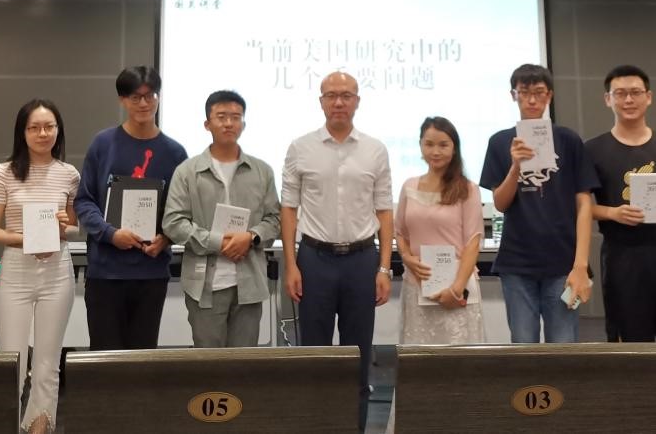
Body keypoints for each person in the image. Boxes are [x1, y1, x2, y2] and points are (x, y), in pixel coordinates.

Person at [584, 66, 656, 434]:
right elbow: (580, 208)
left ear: (649, 97)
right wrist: (611, 212)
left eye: (635, 92)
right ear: (608, 99)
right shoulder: (593, 150)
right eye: (620, 93)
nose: (629, 99)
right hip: (623, 258)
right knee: (631, 352)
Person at [281, 71, 393, 433]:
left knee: (359, 356)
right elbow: (289, 209)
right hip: (314, 260)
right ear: (321, 102)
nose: (339, 102)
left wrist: (384, 269)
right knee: (315, 355)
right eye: (331, 95)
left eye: (346, 95)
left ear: (357, 101)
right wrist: (291, 265)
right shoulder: (300, 148)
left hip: (362, 261)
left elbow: (384, 211)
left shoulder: (375, 149)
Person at [479, 63, 597, 343]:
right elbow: (500, 204)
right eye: (524, 92)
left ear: (549, 96)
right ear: (513, 95)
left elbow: (584, 205)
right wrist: (515, 166)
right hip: (517, 262)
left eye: (539, 92)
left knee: (564, 343)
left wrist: (580, 264)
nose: (532, 100)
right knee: (523, 343)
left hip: (563, 261)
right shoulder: (500, 142)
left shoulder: (568, 140)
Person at [74, 66, 189, 349]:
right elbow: (84, 201)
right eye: (135, 97)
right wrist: (110, 234)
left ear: (158, 97)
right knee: (104, 357)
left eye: (150, 96)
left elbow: (183, 210)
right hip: (106, 272)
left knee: (142, 359)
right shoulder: (103, 144)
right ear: (122, 100)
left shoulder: (175, 153)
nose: (143, 103)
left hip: (151, 273)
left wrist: (167, 238)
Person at [0, 99, 80, 434]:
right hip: (16, 271)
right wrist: (28, 241)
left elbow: (74, 227)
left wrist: (63, 228)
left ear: (58, 130)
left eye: (49, 127)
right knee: (11, 360)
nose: (43, 133)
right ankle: (8, 425)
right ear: (22, 132)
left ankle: (41, 427)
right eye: (34, 127)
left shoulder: (69, 174)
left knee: (47, 362)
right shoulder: (4, 172)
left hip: (57, 270)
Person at [162, 90, 281, 347]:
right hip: (204, 286)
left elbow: (274, 219)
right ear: (207, 124)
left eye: (236, 117)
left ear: (244, 124)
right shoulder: (187, 171)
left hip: (249, 283)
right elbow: (173, 222)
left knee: (244, 363)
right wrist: (218, 242)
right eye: (221, 116)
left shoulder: (262, 171)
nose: (229, 123)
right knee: (209, 362)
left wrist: (251, 237)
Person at [395, 116, 485, 343]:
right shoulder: (409, 186)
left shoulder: (468, 189)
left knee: (458, 356)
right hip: (418, 285)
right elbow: (400, 233)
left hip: (457, 287)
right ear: (420, 146)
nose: (435, 151)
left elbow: (473, 242)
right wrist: (406, 257)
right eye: (429, 144)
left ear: (454, 148)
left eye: (443, 145)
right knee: (420, 355)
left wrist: (456, 290)